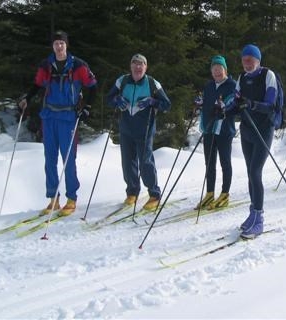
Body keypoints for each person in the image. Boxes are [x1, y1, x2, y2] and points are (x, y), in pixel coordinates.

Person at [18, 31, 97, 216]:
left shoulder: (78, 65)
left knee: (68, 159)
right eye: (56, 43)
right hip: (49, 116)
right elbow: (37, 85)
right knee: (50, 159)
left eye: (61, 43)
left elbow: (92, 86)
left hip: (69, 117)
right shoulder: (46, 65)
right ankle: (53, 199)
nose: (59, 46)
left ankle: (71, 198)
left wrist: (87, 107)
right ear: (52, 46)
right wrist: (27, 99)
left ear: (66, 45)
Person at [226, 44, 278, 239]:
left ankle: (259, 219)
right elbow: (236, 103)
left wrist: (251, 104)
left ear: (258, 60)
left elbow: (270, 105)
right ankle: (252, 213)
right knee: (250, 172)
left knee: (256, 172)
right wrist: (223, 111)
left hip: (263, 129)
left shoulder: (268, 76)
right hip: (247, 130)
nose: (247, 63)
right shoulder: (242, 78)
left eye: (251, 60)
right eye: (244, 60)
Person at [106, 54, 171, 211]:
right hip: (126, 128)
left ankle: (154, 194)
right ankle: (132, 192)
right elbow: (109, 98)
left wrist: (153, 101)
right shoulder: (122, 81)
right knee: (128, 162)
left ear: (145, 67)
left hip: (145, 129)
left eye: (141, 64)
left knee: (145, 161)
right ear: (131, 66)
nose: (137, 67)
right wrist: (117, 100)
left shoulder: (152, 83)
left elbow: (166, 104)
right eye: (134, 64)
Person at [193, 55, 237, 210]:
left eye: (220, 69)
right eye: (214, 69)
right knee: (209, 163)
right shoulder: (209, 86)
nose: (217, 72)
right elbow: (206, 101)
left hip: (224, 130)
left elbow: (233, 102)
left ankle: (225, 194)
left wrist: (224, 106)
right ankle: (210, 193)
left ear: (225, 70)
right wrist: (201, 103)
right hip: (209, 129)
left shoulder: (232, 85)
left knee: (225, 162)